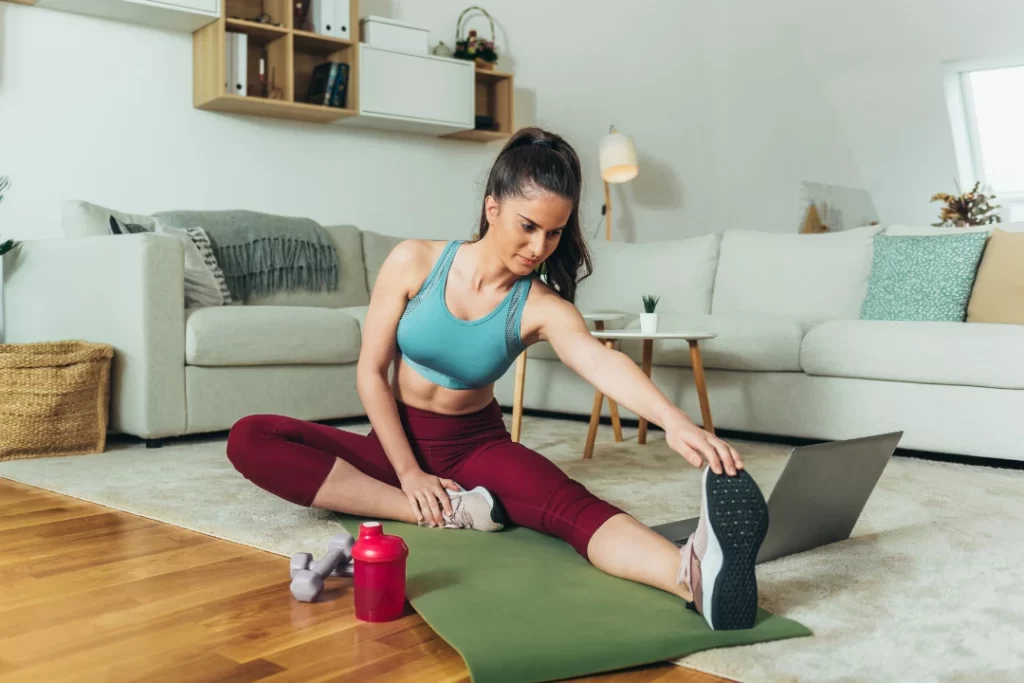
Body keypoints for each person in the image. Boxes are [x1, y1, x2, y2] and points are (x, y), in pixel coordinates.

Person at [226, 126, 769, 631]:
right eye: (527, 227)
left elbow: (601, 361)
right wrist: (410, 476)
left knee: (570, 507)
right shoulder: (414, 261)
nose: (538, 248)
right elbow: (371, 372)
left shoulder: (540, 306)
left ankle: (691, 575)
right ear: (492, 208)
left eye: (554, 234)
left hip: (475, 450)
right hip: (394, 446)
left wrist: (676, 422)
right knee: (250, 436)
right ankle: (452, 511)